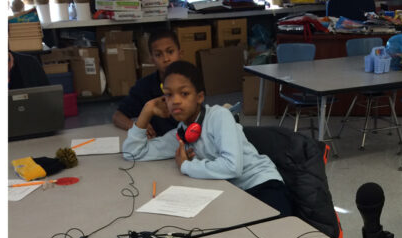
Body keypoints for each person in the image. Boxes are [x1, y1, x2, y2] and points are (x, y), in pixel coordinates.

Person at [122, 60, 295, 217]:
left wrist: (187, 166)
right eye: (168, 94)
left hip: (263, 187)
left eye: (184, 93)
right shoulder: (181, 134)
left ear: (199, 97)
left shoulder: (219, 116)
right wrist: (146, 111)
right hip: (235, 194)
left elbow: (232, 167)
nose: (175, 101)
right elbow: (133, 153)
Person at [112, 30, 183, 138]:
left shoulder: (191, 81)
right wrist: (136, 126)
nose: (166, 59)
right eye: (158, 54)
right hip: (157, 144)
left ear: (180, 53)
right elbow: (117, 116)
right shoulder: (143, 87)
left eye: (170, 51)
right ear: (152, 60)